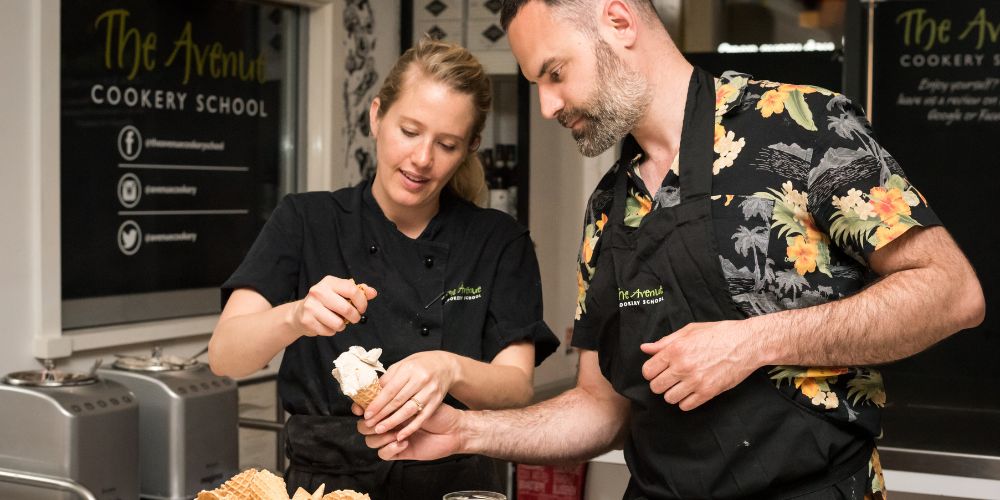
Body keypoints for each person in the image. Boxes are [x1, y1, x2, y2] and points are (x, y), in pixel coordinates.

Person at [359, 1, 986, 498]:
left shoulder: (803, 124)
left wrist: (752, 342)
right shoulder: (609, 208)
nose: (548, 104)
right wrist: (465, 430)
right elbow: (599, 411)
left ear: (618, 20)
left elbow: (952, 292)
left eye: (554, 73)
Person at [209, 38, 559, 499]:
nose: (422, 159)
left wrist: (448, 369)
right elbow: (225, 356)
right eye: (409, 131)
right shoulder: (306, 221)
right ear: (377, 116)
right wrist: (296, 316)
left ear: (470, 147)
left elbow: (516, 387)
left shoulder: (497, 240)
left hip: (454, 486)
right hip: (325, 489)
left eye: (447, 144)